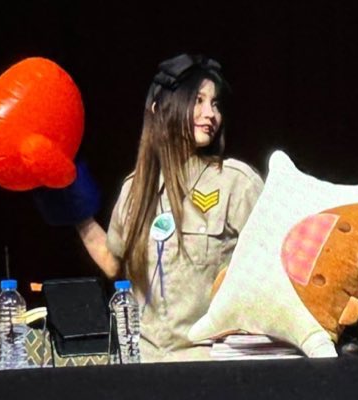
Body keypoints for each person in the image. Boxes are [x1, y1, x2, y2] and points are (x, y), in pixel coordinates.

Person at [74, 53, 264, 362]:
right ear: (159, 109)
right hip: (143, 365)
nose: (210, 114)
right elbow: (112, 263)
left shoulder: (235, 183)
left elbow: (276, 267)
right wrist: (76, 211)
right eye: (198, 101)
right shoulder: (135, 189)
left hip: (207, 367)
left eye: (215, 104)